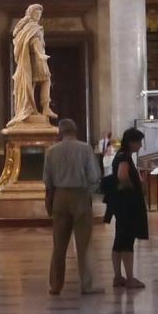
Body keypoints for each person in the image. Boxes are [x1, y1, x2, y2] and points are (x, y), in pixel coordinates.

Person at [41, 117, 102, 298]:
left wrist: (52, 195)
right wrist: (88, 191)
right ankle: (87, 285)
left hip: (60, 196)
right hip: (80, 196)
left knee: (59, 245)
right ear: (75, 131)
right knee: (84, 243)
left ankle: (55, 285)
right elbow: (94, 176)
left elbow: (47, 179)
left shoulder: (51, 152)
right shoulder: (85, 148)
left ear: (60, 132)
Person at [103, 126, 149, 290]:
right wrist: (133, 187)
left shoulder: (121, 155)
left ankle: (118, 276)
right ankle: (129, 278)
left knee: (119, 241)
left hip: (121, 205)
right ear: (131, 142)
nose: (141, 146)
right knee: (127, 241)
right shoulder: (124, 158)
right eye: (139, 142)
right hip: (128, 206)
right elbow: (122, 176)